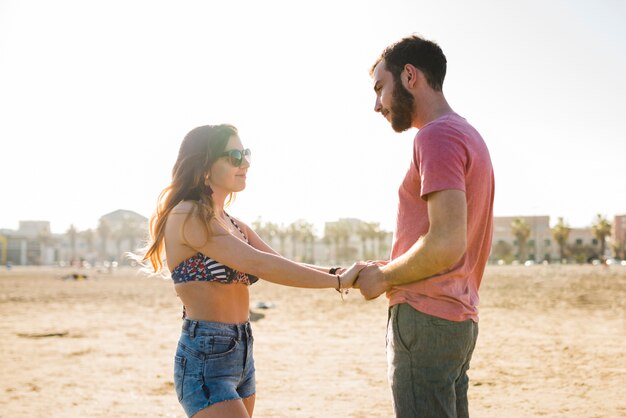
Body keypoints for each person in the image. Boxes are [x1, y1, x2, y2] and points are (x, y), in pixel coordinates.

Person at [142, 124, 363, 418]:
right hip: (206, 355)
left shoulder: (233, 224)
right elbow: (259, 264)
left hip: (241, 352)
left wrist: (345, 273)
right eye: (234, 156)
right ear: (205, 166)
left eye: (245, 153)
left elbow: (282, 262)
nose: (245, 163)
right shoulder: (189, 214)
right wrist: (337, 282)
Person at [354, 35, 495, 417]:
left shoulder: (436, 136)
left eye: (380, 88)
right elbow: (445, 238)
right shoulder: (467, 135)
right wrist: (388, 266)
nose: (376, 105)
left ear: (410, 76)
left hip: (426, 317)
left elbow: (446, 242)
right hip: (457, 320)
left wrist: (383, 278)